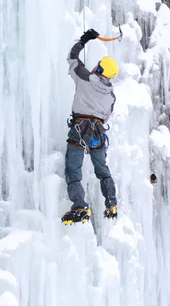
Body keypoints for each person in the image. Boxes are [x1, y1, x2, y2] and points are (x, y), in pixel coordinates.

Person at [61, 28, 119, 224]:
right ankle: (111, 202)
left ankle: (80, 206)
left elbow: (72, 58)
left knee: (73, 170)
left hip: (79, 129)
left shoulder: (86, 77)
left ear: (99, 68)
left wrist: (84, 40)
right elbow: (107, 115)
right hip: (98, 134)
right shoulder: (111, 96)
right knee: (102, 170)